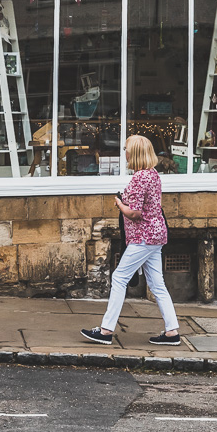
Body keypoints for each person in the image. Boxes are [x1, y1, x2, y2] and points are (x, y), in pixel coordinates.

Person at [81, 134, 180, 346]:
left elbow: (135, 213)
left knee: (119, 278)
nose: (124, 152)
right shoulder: (153, 175)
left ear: (134, 153)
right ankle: (172, 331)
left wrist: (119, 204)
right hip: (156, 234)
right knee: (157, 284)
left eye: (126, 149)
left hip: (143, 236)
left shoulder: (139, 177)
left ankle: (106, 331)